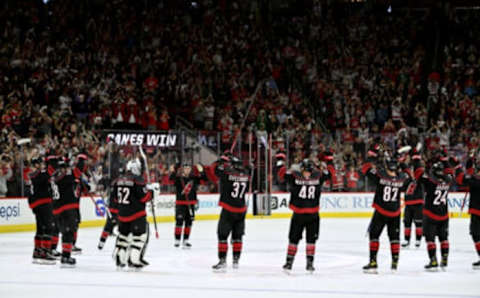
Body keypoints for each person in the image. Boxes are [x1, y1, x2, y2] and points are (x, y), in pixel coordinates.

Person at [361, 149, 410, 273]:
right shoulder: (401, 178)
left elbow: (365, 168)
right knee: (394, 238)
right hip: (395, 212)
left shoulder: (381, 175)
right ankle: (394, 264)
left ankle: (373, 262)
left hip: (381, 211)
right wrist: (402, 162)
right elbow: (409, 176)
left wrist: (374, 156)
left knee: (374, 236)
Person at [281, 159, 332, 273]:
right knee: (310, 240)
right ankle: (309, 264)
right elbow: (329, 174)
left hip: (299, 214)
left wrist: (288, 167)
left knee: (294, 239)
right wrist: (323, 166)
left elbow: (282, 174)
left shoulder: (295, 176)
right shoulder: (318, 176)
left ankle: (290, 263)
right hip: (313, 214)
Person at [212, 155, 251, 272]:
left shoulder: (228, 175)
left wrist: (221, 160)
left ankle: (223, 260)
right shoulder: (246, 176)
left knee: (222, 235)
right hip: (241, 209)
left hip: (229, 209)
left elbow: (214, 169)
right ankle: (236, 261)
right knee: (237, 236)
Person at [113, 158, 153, 270]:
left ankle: (119, 259)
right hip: (136, 215)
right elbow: (144, 197)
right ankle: (134, 259)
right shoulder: (138, 180)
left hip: (122, 214)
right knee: (139, 237)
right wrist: (151, 192)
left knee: (123, 238)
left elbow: (115, 199)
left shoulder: (119, 180)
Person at [414, 159, 454, 271]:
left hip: (430, 215)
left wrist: (418, 161)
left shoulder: (430, 181)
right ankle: (444, 259)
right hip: (444, 215)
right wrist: (446, 161)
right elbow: (450, 171)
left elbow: (417, 174)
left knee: (430, 239)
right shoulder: (448, 180)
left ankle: (433, 261)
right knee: (444, 238)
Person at [169, 161, 207, 248]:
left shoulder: (194, 178)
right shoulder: (179, 179)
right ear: (182, 170)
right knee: (179, 222)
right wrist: (173, 170)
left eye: (188, 168)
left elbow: (205, 179)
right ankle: (177, 240)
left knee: (189, 223)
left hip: (191, 203)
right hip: (180, 203)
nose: (187, 170)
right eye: (185, 168)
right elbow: (171, 178)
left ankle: (186, 240)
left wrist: (202, 171)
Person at [26, 156, 56, 265]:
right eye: (40, 163)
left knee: (40, 228)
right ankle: (45, 251)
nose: (42, 165)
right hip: (43, 202)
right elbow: (52, 170)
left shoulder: (32, 175)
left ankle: (37, 250)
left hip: (36, 204)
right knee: (48, 226)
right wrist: (52, 159)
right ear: (36, 165)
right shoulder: (38, 174)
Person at [51, 159, 79, 267]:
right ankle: (66, 256)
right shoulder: (64, 177)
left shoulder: (53, 177)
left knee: (65, 231)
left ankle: (65, 254)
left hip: (57, 208)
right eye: (65, 168)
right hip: (66, 208)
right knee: (69, 232)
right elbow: (76, 174)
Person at [456, 156, 480, 269]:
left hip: (477, 211)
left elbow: (460, 179)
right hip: (476, 211)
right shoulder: (474, 179)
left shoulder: (475, 180)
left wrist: (459, 166)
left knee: (475, 234)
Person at [402, 155, 424, 248]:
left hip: (418, 203)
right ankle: (407, 240)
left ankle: (418, 240)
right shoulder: (407, 179)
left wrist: (416, 160)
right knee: (407, 222)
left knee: (418, 223)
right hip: (409, 203)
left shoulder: (420, 178)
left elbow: (418, 168)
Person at [97, 170, 120, 250]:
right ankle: (120, 246)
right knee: (122, 229)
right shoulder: (117, 185)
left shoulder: (113, 184)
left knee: (107, 227)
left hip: (112, 209)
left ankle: (101, 244)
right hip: (117, 210)